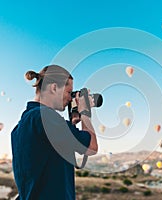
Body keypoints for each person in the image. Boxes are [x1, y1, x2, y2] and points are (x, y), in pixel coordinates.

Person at [11, 65, 98, 199]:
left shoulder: (22, 124)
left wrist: (73, 123)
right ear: (54, 87)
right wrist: (85, 112)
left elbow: (46, 160)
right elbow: (91, 147)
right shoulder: (46, 117)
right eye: (69, 92)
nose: (70, 99)